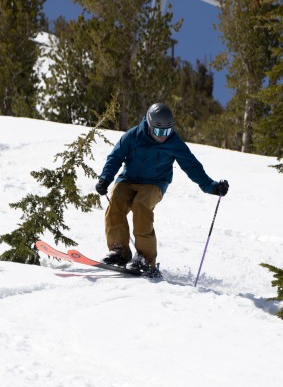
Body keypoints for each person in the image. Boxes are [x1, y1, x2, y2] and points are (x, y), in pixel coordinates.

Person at [95, 103, 229, 278]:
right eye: (159, 132)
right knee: (116, 204)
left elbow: (192, 167)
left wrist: (212, 186)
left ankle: (145, 258)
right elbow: (115, 157)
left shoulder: (174, 143)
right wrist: (105, 178)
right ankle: (119, 251)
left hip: (155, 183)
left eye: (167, 132)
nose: (163, 137)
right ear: (149, 125)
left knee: (141, 206)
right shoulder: (133, 135)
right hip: (128, 179)